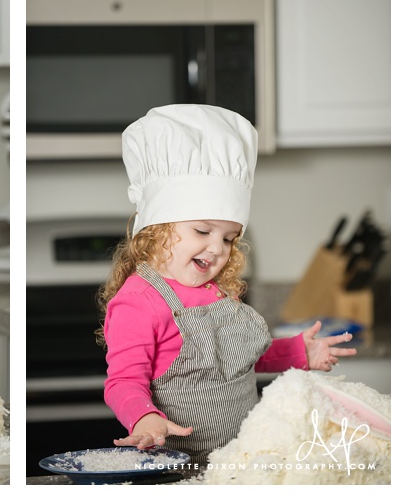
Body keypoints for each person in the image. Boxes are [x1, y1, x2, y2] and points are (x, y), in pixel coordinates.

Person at [98, 104, 357, 462]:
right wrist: (144, 417)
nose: (217, 248)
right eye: (202, 230)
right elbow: (123, 382)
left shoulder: (215, 291)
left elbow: (241, 358)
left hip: (245, 454)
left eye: (230, 237)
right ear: (156, 230)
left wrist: (298, 352)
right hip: (183, 465)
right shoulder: (140, 301)